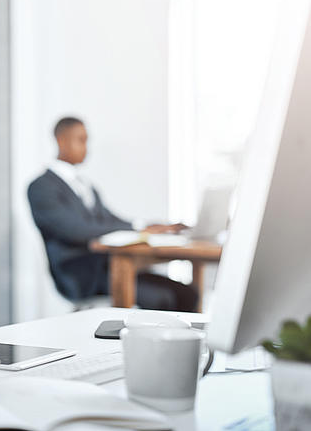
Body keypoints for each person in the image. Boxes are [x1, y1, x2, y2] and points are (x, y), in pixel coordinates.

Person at [27, 117, 197, 311]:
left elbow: (109, 219)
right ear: (61, 141)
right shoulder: (42, 188)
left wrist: (145, 226)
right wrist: (141, 232)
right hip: (81, 273)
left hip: (109, 265)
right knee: (161, 298)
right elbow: (77, 230)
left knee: (187, 293)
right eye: (80, 140)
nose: (86, 148)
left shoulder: (85, 184)